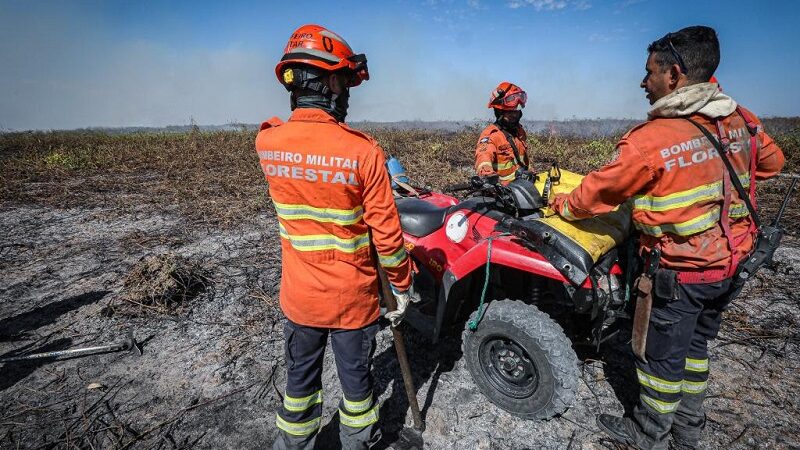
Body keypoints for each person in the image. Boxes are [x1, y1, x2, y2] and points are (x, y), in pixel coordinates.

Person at [549, 26, 784, 449]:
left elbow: (599, 192)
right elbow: (772, 163)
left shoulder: (652, 141)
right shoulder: (741, 120)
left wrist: (563, 205)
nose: (644, 82)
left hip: (682, 273)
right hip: (730, 268)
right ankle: (690, 428)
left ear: (674, 75)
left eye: (650, 73)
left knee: (660, 360)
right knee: (696, 348)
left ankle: (648, 432)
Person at [255, 24, 417, 450]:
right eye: (345, 82)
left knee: (299, 387)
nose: (346, 94)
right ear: (329, 81)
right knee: (358, 391)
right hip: (352, 303)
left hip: (299, 299)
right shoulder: (363, 151)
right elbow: (387, 232)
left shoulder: (268, 142)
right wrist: (401, 287)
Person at [474, 82, 531, 184]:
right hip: (503, 194)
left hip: (523, 190)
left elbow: (525, 163)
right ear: (500, 112)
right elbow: (483, 158)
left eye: (516, 111)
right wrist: (487, 176)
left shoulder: (519, 132)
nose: (515, 115)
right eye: (510, 112)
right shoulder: (491, 135)